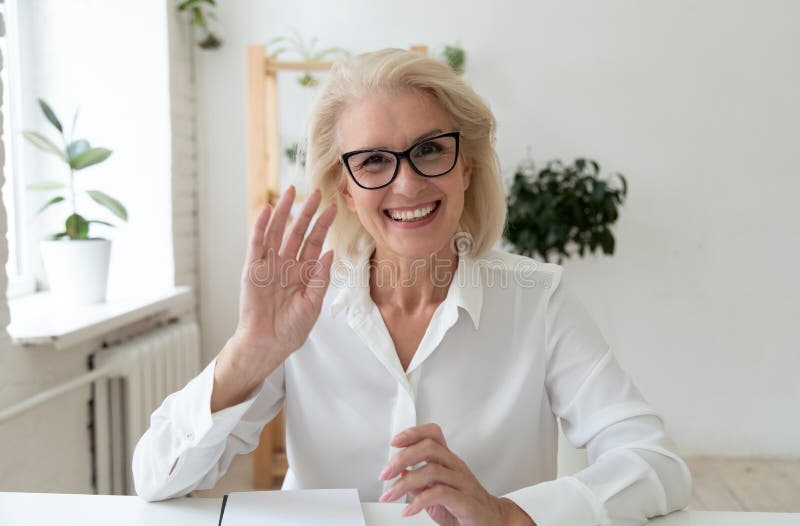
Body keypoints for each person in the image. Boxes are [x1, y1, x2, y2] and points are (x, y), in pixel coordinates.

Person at [132, 48, 692, 525]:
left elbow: (654, 462)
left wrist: (508, 514)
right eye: (373, 161)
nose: (407, 183)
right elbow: (156, 479)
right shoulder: (305, 306)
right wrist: (248, 354)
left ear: (466, 167)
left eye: (429, 150)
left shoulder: (536, 298)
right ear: (347, 190)